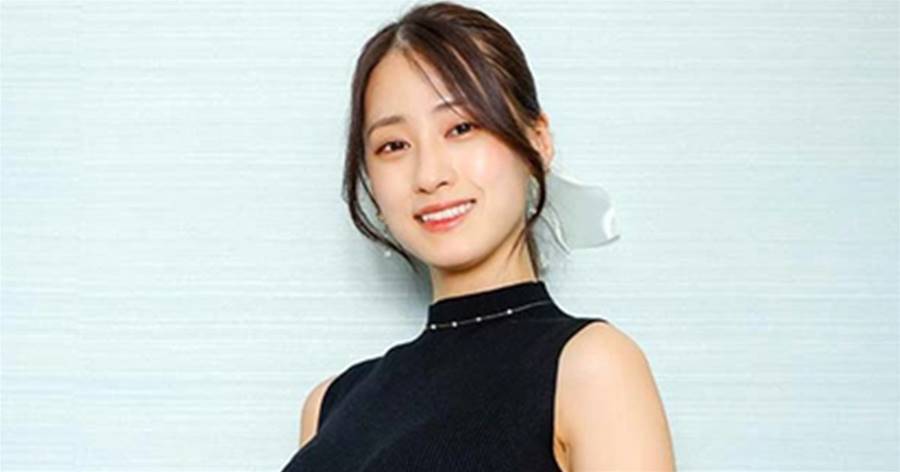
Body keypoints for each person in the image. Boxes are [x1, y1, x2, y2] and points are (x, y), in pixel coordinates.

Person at [281, 2, 675, 470]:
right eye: (394, 145)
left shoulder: (591, 366)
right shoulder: (330, 404)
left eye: (462, 127)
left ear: (537, 142)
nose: (429, 175)